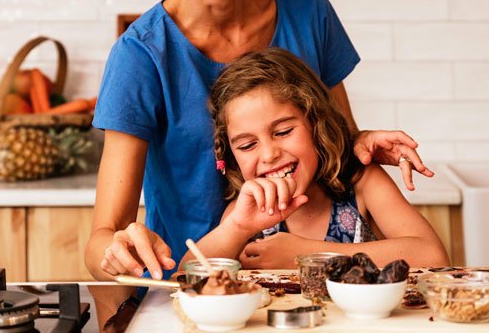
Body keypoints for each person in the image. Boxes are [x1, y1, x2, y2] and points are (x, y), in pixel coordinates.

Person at [85, 0, 433, 282]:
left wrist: (360, 141)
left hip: (301, 290)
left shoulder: (307, 10)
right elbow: (102, 238)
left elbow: (333, 149)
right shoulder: (141, 55)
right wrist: (116, 251)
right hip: (188, 289)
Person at [181, 48, 449, 268]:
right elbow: (185, 279)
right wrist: (237, 228)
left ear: (316, 124)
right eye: (248, 145)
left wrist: (304, 256)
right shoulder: (249, 210)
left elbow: (432, 256)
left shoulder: (361, 182)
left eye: (283, 131)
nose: (269, 154)